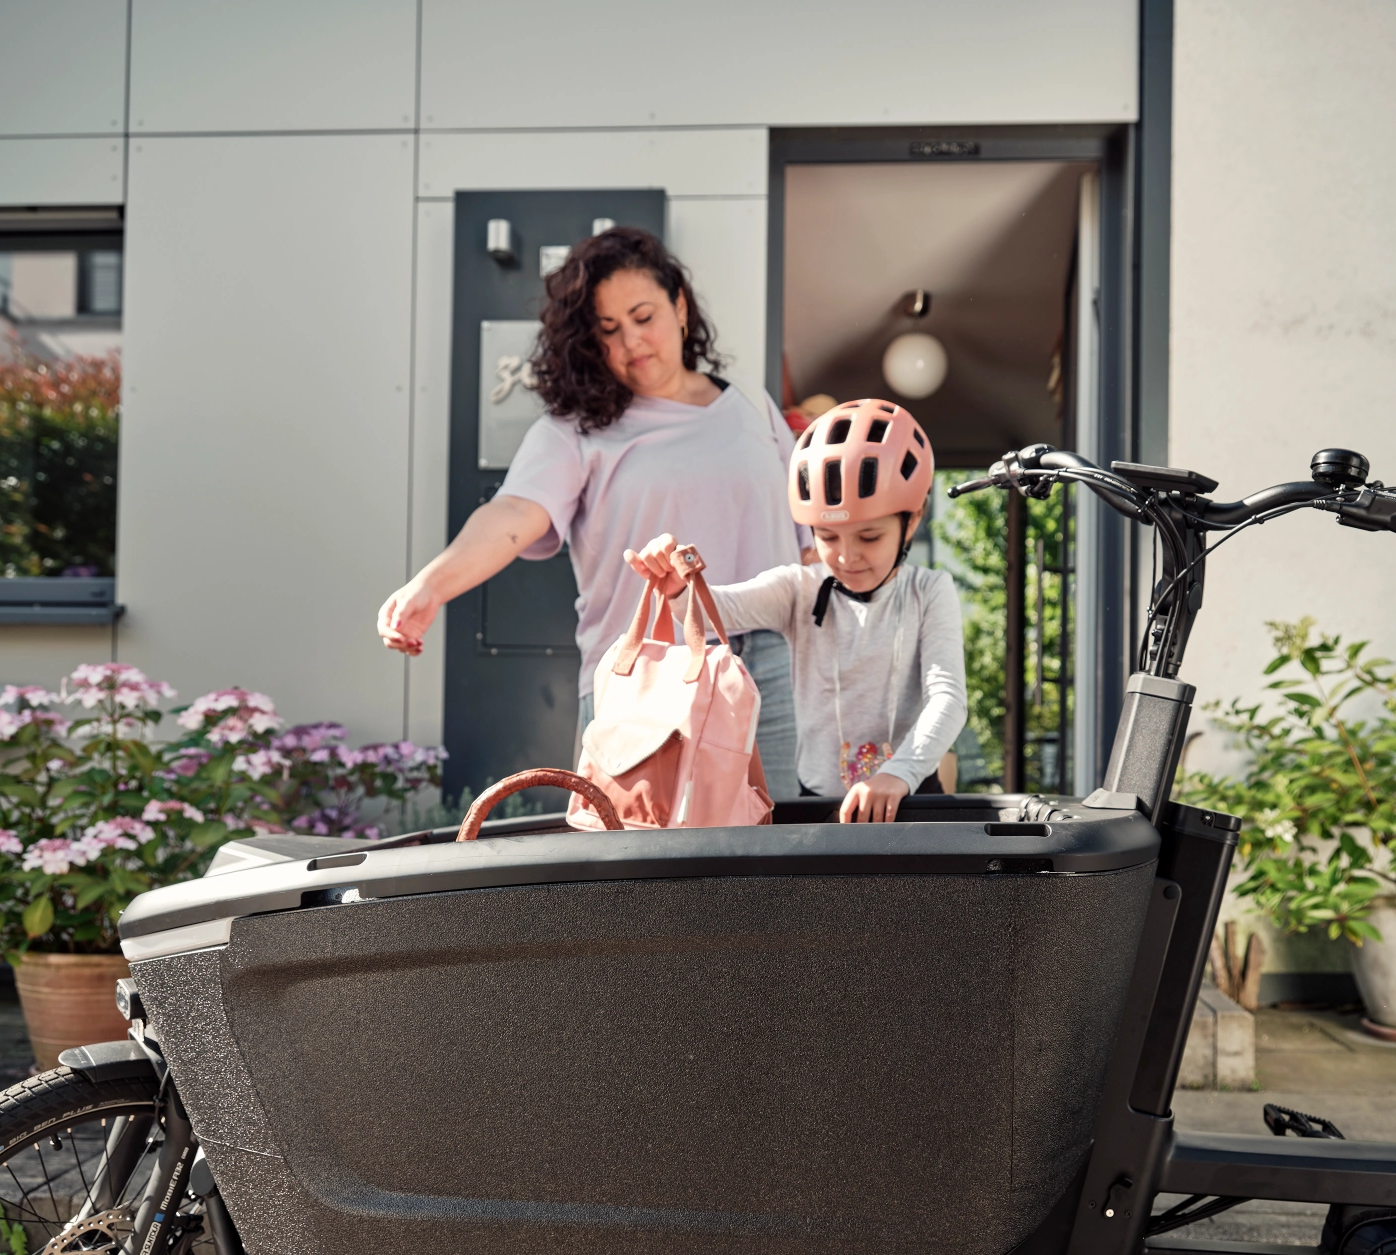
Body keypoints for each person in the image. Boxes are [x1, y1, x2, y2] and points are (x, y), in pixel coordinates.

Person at [376, 227, 808, 790]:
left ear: (679, 306)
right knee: (648, 864)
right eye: (609, 330)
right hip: (648, 672)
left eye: (642, 316)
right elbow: (512, 515)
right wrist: (432, 585)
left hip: (771, 665)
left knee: (779, 854)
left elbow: (809, 539)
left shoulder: (751, 402)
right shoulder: (575, 431)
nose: (632, 343)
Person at [625, 400, 966, 824]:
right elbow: (721, 608)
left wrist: (898, 774)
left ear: (912, 520)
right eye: (827, 536)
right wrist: (679, 584)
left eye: (870, 536)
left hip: (909, 796)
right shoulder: (800, 588)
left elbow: (948, 698)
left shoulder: (929, 591)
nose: (847, 556)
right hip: (821, 806)